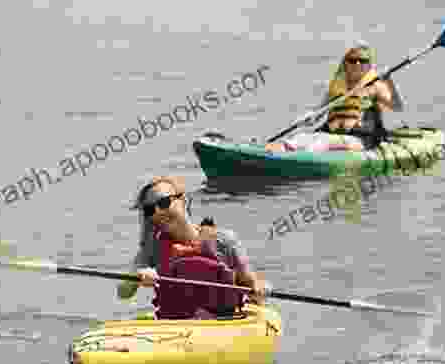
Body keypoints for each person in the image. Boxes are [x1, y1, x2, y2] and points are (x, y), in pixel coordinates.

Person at [117, 175, 271, 319]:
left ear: (183, 200)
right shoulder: (152, 248)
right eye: (150, 209)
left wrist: (260, 288)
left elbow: (251, 282)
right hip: (175, 326)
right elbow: (123, 292)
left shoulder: (224, 240)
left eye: (163, 203)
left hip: (223, 321)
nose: (157, 212)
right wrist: (138, 277)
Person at [266, 41, 405, 153]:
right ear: (345, 63)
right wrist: (309, 117)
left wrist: (389, 81)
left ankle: (297, 160)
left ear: (368, 65)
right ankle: (269, 151)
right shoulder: (336, 86)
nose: (357, 64)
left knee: (322, 142)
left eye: (362, 60)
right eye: (352, 60)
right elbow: (318, 113)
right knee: (301, 138)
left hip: (361, 140)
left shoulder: (376, 86)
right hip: (332, 134)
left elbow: (398, 107)